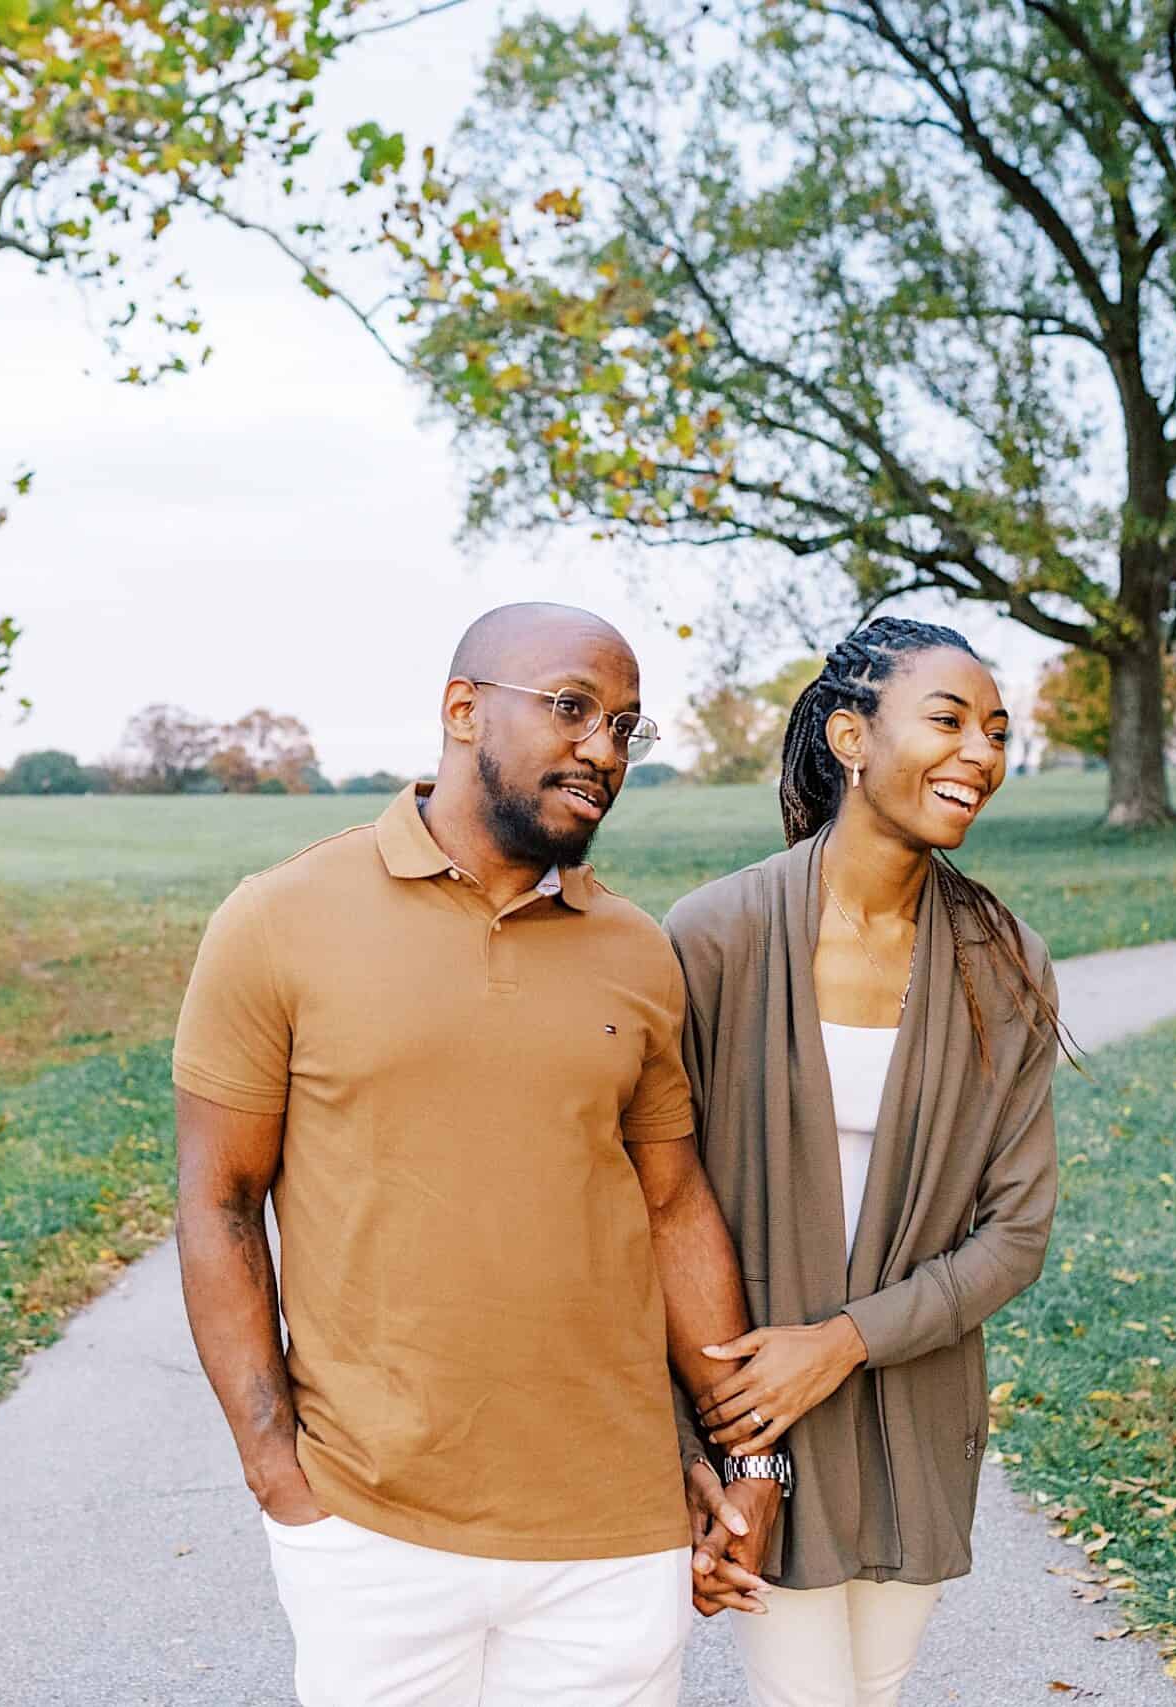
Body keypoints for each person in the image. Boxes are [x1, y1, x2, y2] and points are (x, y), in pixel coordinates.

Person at [172, 602, 778, 1707]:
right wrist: (274, 1470)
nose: (604, 749)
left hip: (613, 1533)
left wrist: (750, 1461)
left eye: (626, 727)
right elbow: (217, 1201)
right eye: (571, 708)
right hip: (371, 1524)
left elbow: (674, 1204)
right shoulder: (278, 919)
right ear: (462, 711)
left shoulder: (637, 953)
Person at [662, 617, 1068, 1707]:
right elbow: (650, 1204)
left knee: (874, 1689)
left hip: (917, 1412)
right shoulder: (711, 941)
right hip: (759, 1423)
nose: (980, 754)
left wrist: (842, 1343)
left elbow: (1016, 1235)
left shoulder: (1003, 962)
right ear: (850, 735)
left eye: (995, 731)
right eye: (947, 720)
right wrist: (699, 1444)